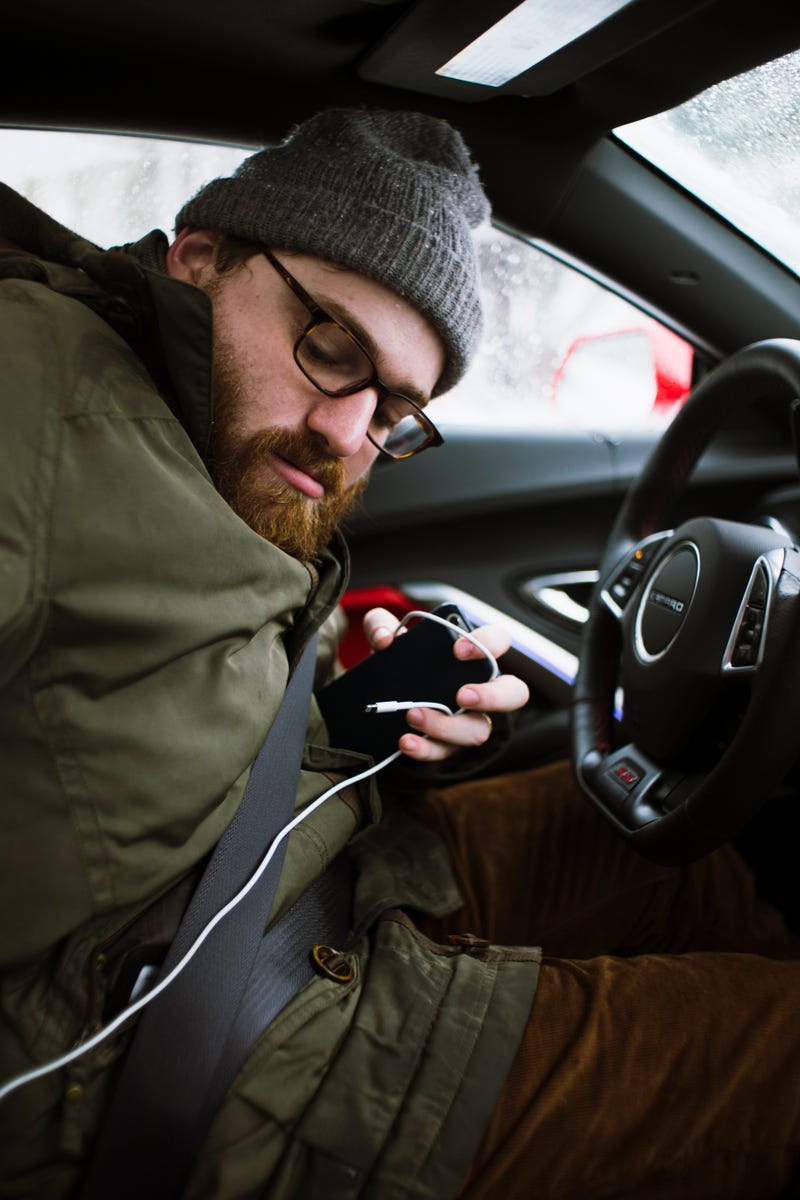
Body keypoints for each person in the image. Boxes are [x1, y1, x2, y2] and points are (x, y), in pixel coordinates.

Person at [0, 106, 798, 1200]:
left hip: (295, 885)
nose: (344, 434)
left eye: (394, 408)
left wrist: (353, 717)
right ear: (199, 260)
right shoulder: (30, 387)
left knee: (655, 853)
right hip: (187, 1055)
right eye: (330, 348)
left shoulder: (195, 438)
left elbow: (112, 710)